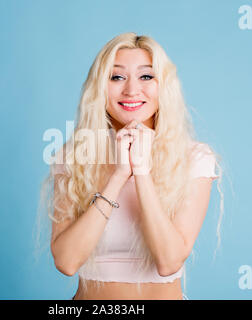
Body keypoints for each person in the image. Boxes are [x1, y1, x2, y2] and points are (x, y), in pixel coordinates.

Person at [38, 32, 224, 300]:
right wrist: (118, 175)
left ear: (164, 86)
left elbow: (169, 261)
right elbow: (66, 262)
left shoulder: (194, 158)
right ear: (100, 88)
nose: (131, 90)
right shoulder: (74, 158)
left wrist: (141, 171)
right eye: (116, 77)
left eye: (146, 76)